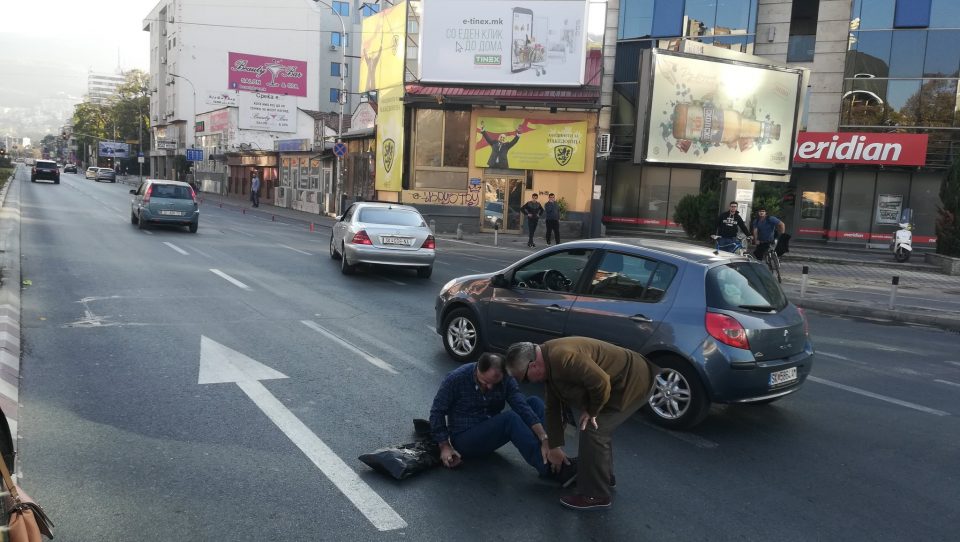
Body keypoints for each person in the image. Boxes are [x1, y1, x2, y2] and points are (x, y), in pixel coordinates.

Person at [506, 337, 658, 511]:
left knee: (593, 429)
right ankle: (604, 476)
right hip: (618, 382)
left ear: (533, 365)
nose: (528, 383)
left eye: (524, 379)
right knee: (597, 429)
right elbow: (553, 408)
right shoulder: (548, 360)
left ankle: (596, 495)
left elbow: (601, 382)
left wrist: (592, 410)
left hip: (635, 380)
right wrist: (554, 446)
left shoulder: (562, 356)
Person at [428, 353, 577, 486]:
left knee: (534, 403)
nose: (489, 386)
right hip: (465, 438)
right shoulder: (456, 378)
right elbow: (437, 412)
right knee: (510, 419)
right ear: (477, 370)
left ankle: (555, 458)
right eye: (483, 382)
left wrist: (546, 439)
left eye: (494, 382)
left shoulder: (506, 378)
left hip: (489, 431)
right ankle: (552, 470)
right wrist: (445, 446)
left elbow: (521, 406)